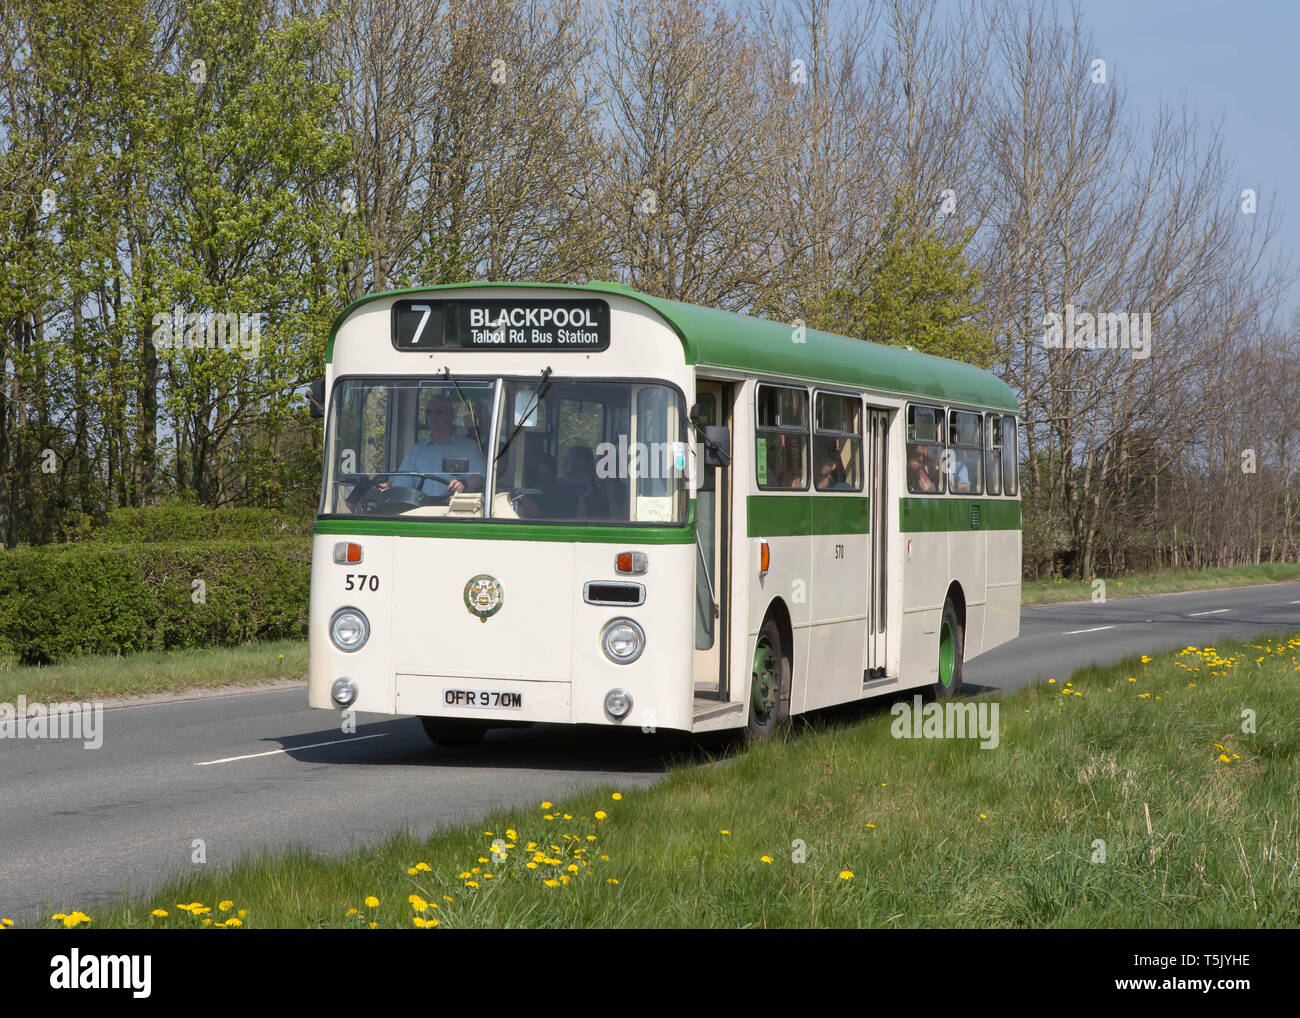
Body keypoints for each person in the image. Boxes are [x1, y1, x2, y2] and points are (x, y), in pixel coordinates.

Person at [384, 394, 484, 496]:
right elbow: (402, 484)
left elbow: (478, 478)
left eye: (439, 411)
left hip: (455, 508)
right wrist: (389, 491)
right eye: (429, 412)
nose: (433, 416)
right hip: (421, 509)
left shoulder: (469, 446)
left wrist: (463, 484)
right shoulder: (417, 450)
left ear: (451, 415)